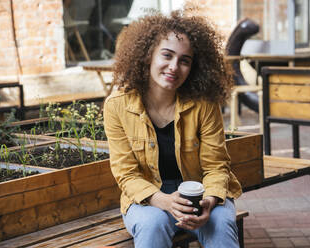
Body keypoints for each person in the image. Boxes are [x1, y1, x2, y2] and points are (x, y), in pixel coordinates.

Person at [103, 7, 242, 248]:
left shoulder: (205, 105)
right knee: (152, 224)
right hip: (147, 196)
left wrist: (209, 200)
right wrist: (163, 200)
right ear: (149, 56)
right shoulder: (117, 106)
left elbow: (216, 166)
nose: (174, 67)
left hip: (200, 192)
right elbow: (126, 174)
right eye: (166, 55)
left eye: (184, 61)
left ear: (193, 67)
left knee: (220, 223)